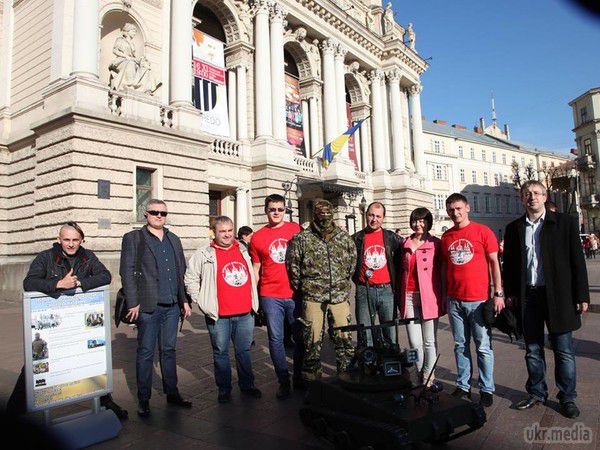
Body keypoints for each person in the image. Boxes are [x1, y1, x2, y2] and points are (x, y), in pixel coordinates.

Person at [8, 222, 127, 419]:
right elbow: (29, 282)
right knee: (36, 363)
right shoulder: (46, 258)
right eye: (66, 240)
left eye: (75, 240)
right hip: (51, 325)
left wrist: (80, 283)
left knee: (92, 358)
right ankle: (14, 411)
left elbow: (105, 276)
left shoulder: (88, 257)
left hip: (79, 322)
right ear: (59, 240)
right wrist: (58, 284)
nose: (71, 244)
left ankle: (104, 401)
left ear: (82, 241)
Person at [503, 180, 589, 418]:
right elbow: (509, 265)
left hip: (558, 295)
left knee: (563, 350)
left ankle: (567, 397)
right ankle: (536, 392)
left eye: (537, 193)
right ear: (522, 199)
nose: (532, 197)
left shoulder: (564, 223)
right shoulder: (514, 228)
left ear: (544, 196)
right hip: (528, 296)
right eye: (527, 194)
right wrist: (510, 293)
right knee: (532, 349)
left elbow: (577, 260)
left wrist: (581, 294)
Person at [120, 199, 192, 417]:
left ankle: (172, 393)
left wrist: (184, 300)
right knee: (146, 352)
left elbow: (181, 272)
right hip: (148, 307)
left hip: (172, 306)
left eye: (163, 213)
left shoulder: (174, 239)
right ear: (146, 214)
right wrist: (133, 302)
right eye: (154, 212)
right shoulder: (134, 238)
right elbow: (127, 270)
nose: (159, 216)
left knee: (169, 351)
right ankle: (144, 399)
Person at [185, 216, 261, 403]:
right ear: (214, 232)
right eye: (222, 231)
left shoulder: (243, 249)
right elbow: (191, 278)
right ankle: (224, 389)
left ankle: (247, 385)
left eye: (229, 230)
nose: (227, 235)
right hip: (219, 315)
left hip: (245, 313)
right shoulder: (204, 253)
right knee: (220, 353)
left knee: (244, 351)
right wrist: (200, 301)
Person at [441, 193, 503, 408]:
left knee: (483, 347)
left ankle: (486, 388)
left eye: (458, 208)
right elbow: (445, 267)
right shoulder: (446, 237)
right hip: (455, 300)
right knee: (460, 345)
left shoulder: (483, 231)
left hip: (478, 300)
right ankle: (464, 385)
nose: (455, 213)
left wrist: (498, 293)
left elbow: (494, 263)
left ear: (467, 208)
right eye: (451, 210)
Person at [286, 200, 356, 381]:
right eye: (321, 214)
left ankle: (345, 373)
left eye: (327, 214)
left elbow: (352, 263)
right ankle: (312, 378)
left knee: (344, 336)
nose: (324, 217)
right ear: (314, 215)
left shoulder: (343, 237)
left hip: (339, 296)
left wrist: (342, 283)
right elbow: (292, 266)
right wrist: (303, 288)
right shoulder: (302, 238)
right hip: (313, 297)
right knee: (312, 339)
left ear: (332, 214)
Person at [250, 194, 303, 399]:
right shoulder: (258, 237)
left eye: (280, 209)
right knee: (275, 339)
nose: (276, 213)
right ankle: (283, 380)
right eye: (272, 209)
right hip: (270, 294)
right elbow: (256, 268)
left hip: (294, 294)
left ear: (285, 211)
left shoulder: (295, 230)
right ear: (266, 210)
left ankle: (298, 376)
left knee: (300, 338)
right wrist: (253, 296)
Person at [398, 208, 444, 385]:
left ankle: (428, 376)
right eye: (415, 220)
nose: (418, 224)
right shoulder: (405, 243)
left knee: (429, 341)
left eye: (422, 221)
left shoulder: (435, 244)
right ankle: (419, 372)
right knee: (414, 341)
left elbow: (442, 269)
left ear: (428, 223)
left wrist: (443, 295)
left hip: (429, 296)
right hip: (409, 296)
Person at [352, 202, 403, 347]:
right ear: (366, 215)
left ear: (383, 218)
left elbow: (402, 261)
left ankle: (391, 361)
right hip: (364, 289)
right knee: (365, 330)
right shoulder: (356, 238)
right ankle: (368, 364)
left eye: (378, 216)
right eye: (371, 215)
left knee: (390, 331)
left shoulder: (392, 238)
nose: (374, 219)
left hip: (387, 290)